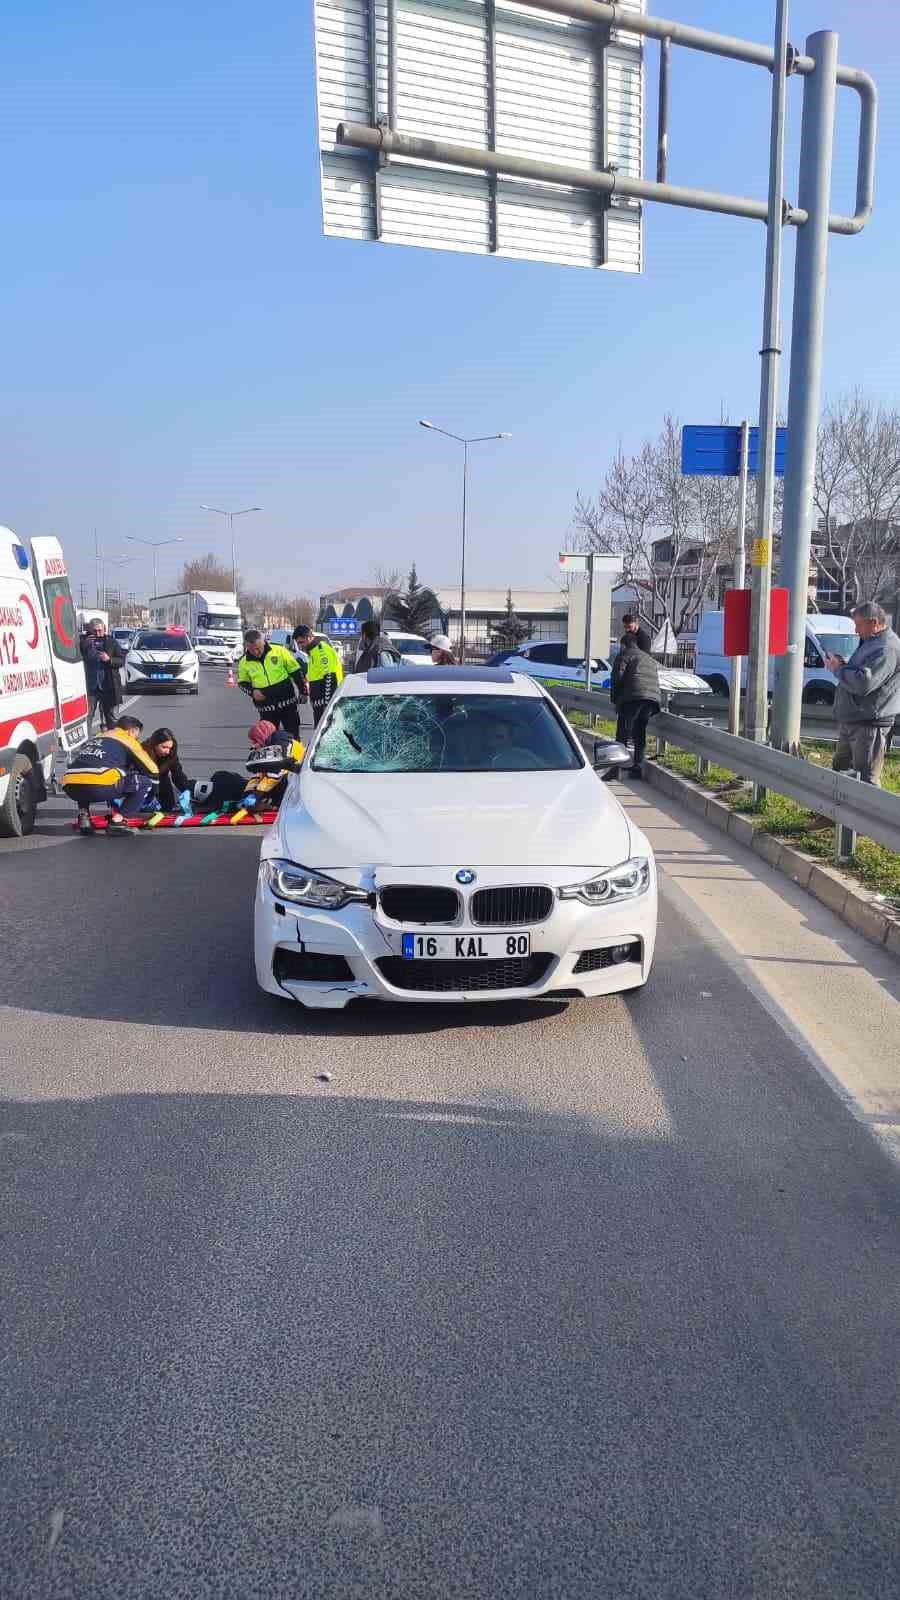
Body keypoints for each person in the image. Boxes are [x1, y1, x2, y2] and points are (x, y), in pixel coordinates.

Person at [824, 601, 900, 787]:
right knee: (840, 774)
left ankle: (869, 816)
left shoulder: (887, 648)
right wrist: (843, 665)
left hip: (868, 725)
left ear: (874, 623)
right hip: (854, 720)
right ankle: (832, 815)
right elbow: (860, 672)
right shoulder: (872, 642)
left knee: (864, 782)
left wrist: (838, 670)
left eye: (859, 625)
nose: (856, 631)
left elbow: (864, 683)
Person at [62, 713, 159, 835]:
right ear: (131, 732)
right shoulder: (127, 739)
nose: (137, 739)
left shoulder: (97, 737)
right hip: (97, 787)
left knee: (85, 777)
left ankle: (84, 817)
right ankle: (117, 821)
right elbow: (152, 770)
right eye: (136, 736)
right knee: (144, 782)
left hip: (70, 785)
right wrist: (153, 793)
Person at [608, 634, 661, 780]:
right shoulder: (648, 658)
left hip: (633, 698)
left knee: (622, 734)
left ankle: (615, 769)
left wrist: (615, 700)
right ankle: (637, 767)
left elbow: (616, 677)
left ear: (623, 644)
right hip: (651, 700)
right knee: (639, 732)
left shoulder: (624, 655)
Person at [237, 628, 305, 736]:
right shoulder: (244, 662)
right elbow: (242, 683)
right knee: (270, 740)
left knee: (293, 737)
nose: (256, 652)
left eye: (258, 648)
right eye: (251, 649)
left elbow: (296, 672)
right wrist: (252, 692)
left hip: (287, 702)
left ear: (264, 641)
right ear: (246, 647)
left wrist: (303, 692)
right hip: (266, 707)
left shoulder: (279, 651)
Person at [80, 618, 125, 733]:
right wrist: (84, 645)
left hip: (108, 686)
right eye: (94, 631)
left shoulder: (111, 642)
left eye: (100, 630)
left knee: (110, 717)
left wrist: (109, 660)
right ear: (89, 630)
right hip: (91, 687)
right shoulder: (83, 643)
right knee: (87, 716)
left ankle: (112, 741)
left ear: (104, 629)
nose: (98, 633)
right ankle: (86, 742)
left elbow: (121, 660)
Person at [292, 624, 344, 725]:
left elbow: (330, 677)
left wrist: (328, 706)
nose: (300, 646)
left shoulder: (321, 651)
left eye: (301, 642)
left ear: (309, 637)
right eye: (298, 643)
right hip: (319, 703)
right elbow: (315, 675)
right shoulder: (313, 651)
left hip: (325, 705)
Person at [142, 728, 194, 813]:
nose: (167, 751)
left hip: (162, 780)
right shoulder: (142, 751)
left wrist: (186, 790)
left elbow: (177, 774)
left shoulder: (171, 755)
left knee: (168, 806)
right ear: (155, 744)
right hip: (144, 783)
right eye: (164, 747)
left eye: (170, 748)